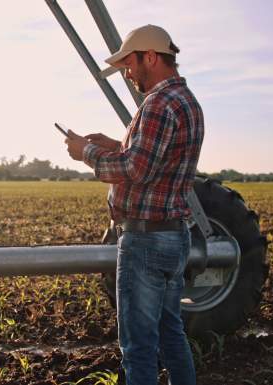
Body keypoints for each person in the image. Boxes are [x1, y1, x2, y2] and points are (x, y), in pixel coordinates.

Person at [64, 24, 203, 385]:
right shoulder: (186, 101)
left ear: (152, 57)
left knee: (138, 347)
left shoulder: (157, 103)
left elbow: (135, 169)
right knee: (171, 335)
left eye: (130, 64)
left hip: (145, 242)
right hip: (174, 237)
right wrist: (117, 143)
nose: (128, 73)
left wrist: (87, 153)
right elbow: (156, 158)